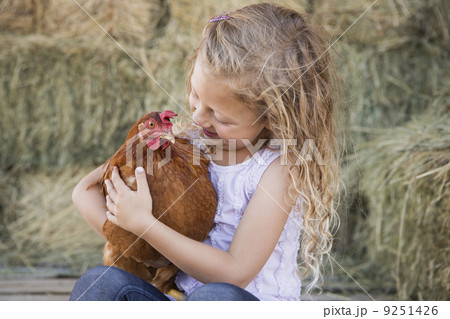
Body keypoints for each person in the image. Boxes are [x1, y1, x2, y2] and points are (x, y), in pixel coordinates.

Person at [70, 2, 341, 301]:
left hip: (243, 304)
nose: (198, 117)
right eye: (195, 96)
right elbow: (84, 190)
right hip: (183, 301)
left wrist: (145, 226)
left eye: (221, 117)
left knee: (216, 297)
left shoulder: (278, 170)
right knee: (101, 283)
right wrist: (130, 231)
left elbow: (234, 274)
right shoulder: (184, 143)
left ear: (273, 116)